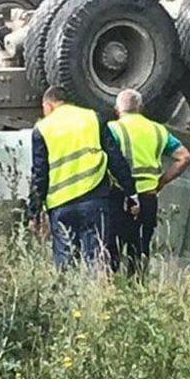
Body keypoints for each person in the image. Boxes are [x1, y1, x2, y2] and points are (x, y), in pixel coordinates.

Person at [28, 86, 136, 269]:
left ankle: (69, 297)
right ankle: (97, 296)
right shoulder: (92, 118)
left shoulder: (42, 129)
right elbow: (115, 158)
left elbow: (40, 175)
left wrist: (34, 212)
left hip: (60, 206)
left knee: (66, 265)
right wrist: (131, 192)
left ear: (48, 105)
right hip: (94, 199)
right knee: (97, 260)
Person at [108, 88, 190, 275]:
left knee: (111, 251)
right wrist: (161, 182)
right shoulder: (158, 130)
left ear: (117, 110)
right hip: (148, 198)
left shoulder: (113, 129)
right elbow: (184, 157)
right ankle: (137, 292)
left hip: (120, 198)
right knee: (139, 252)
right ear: (141, 108)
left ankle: (109, 293)